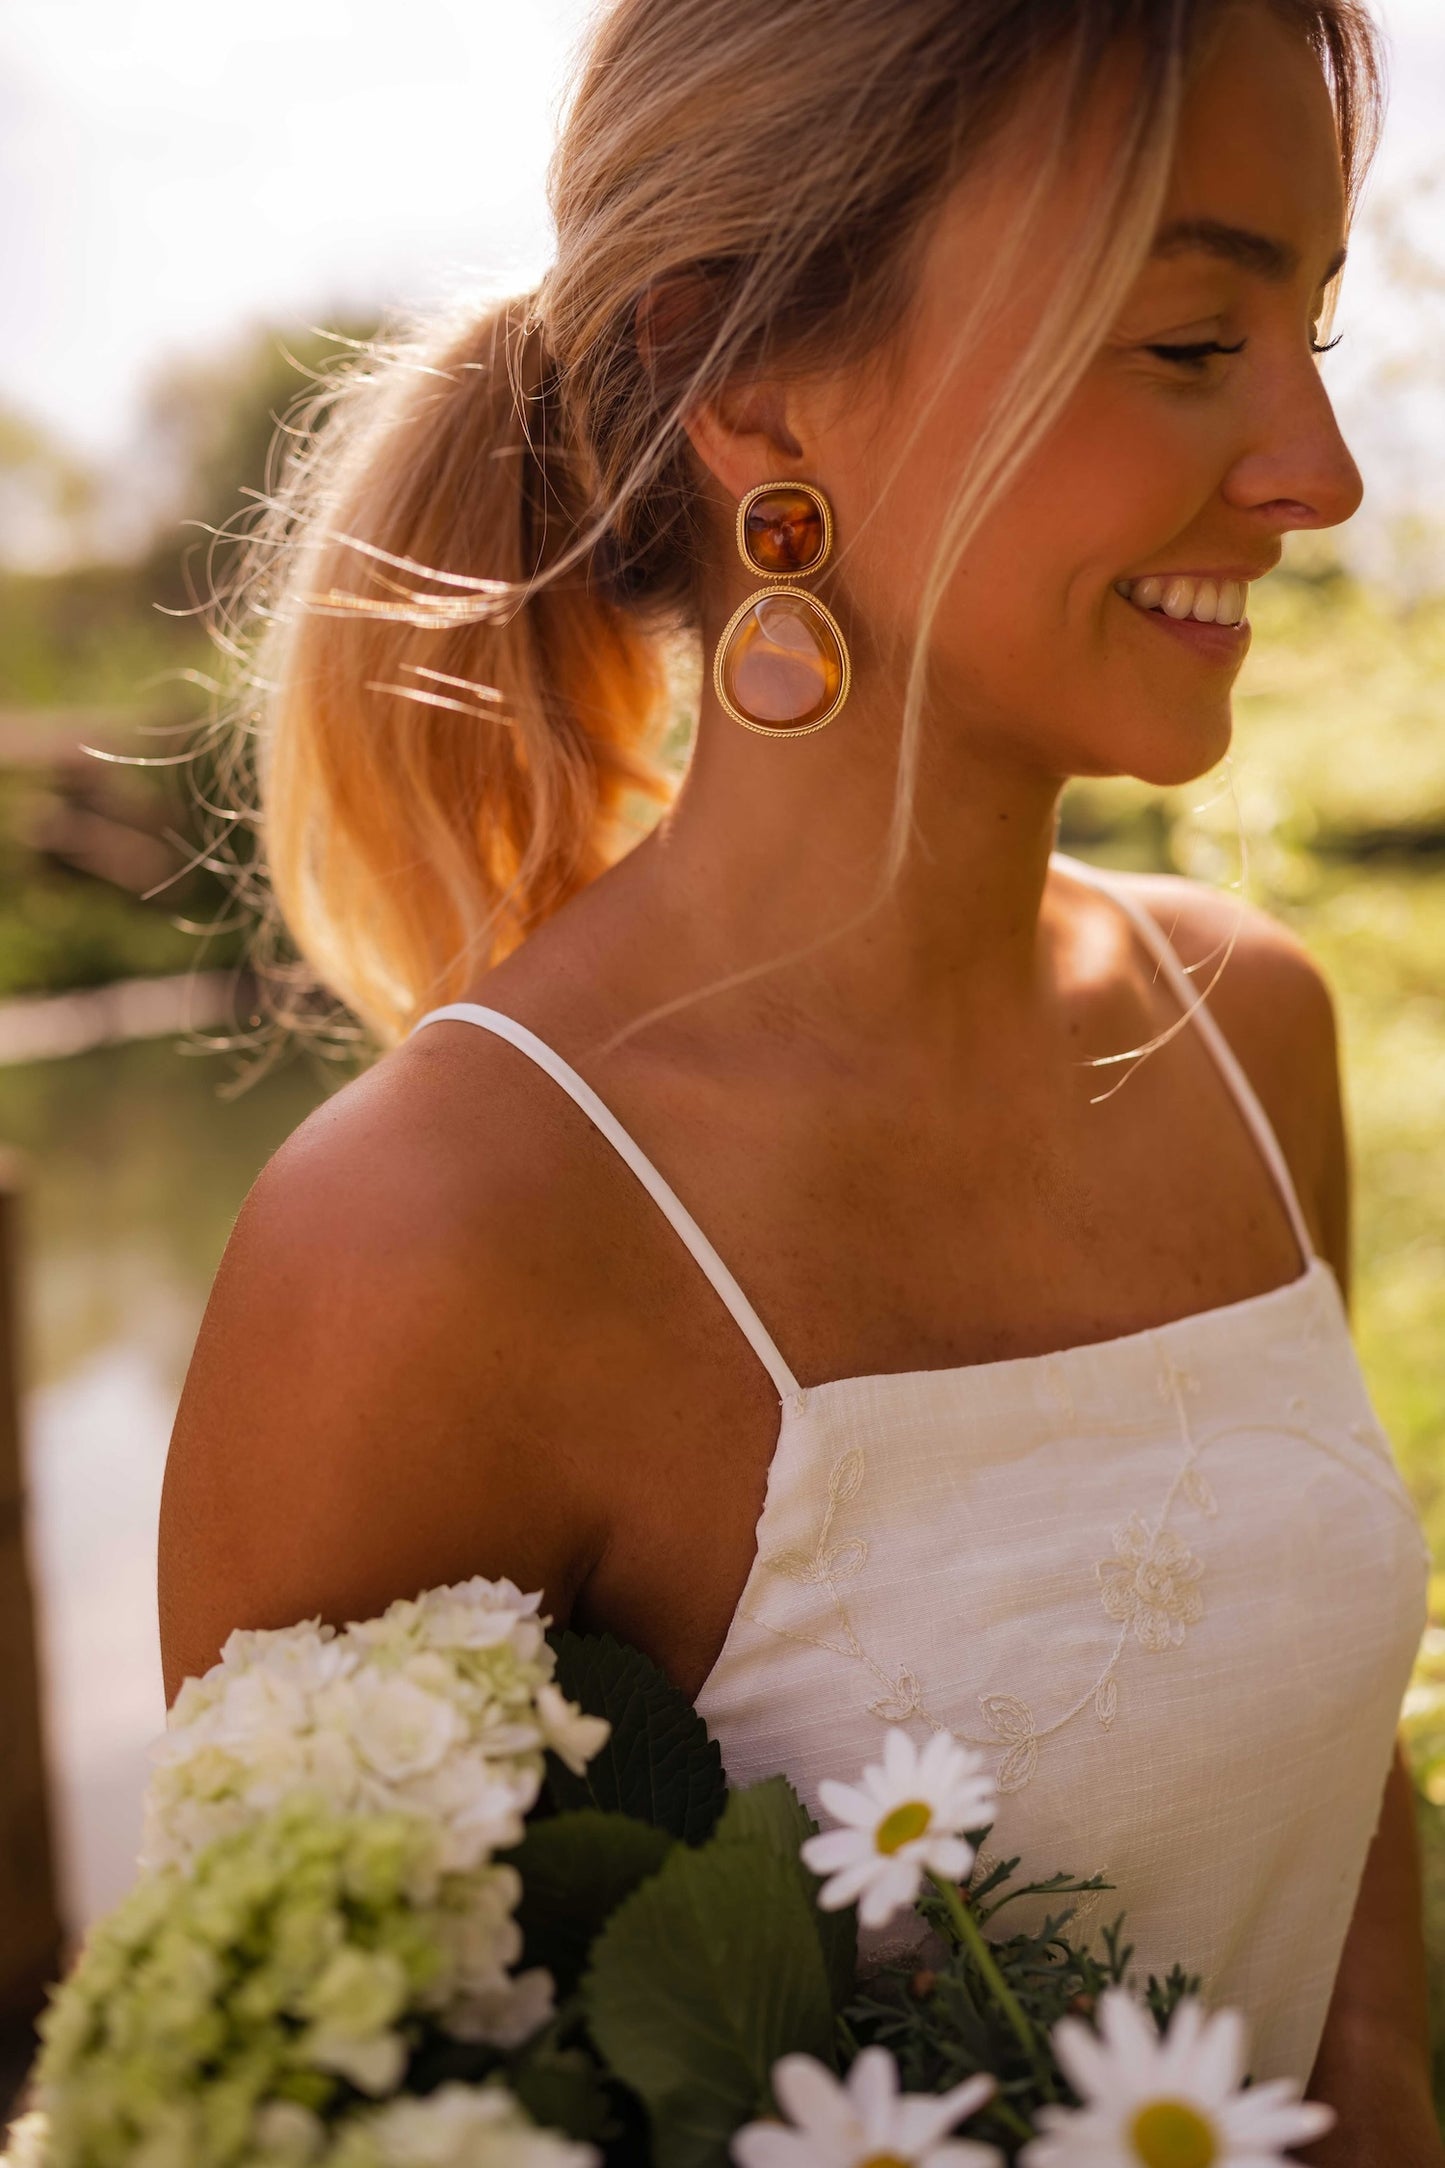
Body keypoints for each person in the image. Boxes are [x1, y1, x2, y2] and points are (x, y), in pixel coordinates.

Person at [157, 0, 1438, 2156]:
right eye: (1194, 345)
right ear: (747, 379)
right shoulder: (427, 1248)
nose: (1321, 468)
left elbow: (1363, 1969)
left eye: (1309, 328)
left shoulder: (1251, 1030)